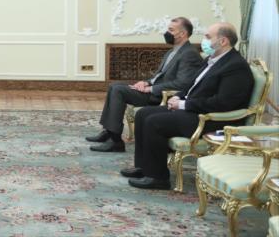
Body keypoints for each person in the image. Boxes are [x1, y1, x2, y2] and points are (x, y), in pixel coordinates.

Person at [123, 22, 253, 190]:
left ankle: (158, 177)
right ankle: (144, 167)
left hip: (213, 120)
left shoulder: (236, 66)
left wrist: (184, 104)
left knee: (154, 122)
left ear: (223, 41)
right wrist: (177, 96)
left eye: (208, 37)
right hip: (195, 110)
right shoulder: (212, 59)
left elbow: (223, 103)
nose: (204, 40)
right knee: (143, 114)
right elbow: (191, 85)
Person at [86, 17, 203, 153]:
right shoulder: (172, 51)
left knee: (118, 90)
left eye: (171, 30)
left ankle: (116, 141)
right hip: (154, 90)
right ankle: (108, 131)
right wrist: (146, 82)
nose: (167, 33)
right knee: (114, 85)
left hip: (162, 96)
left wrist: (151, 89)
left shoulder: (189, 53)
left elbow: (182, 83)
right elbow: (160, 76)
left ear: (183, 34)